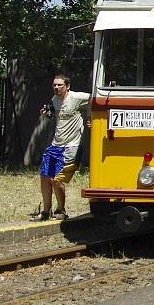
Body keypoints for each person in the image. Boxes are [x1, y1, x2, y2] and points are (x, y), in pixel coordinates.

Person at [30, 74, 90, 221]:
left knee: (56, 180)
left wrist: (90, 118)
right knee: (45, 177)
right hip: (56, 145)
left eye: (59, 85)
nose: (56, 88)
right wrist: (48, 113)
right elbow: (59, 115)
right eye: (54, 85)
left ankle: (61, 211)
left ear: (67, 86)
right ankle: (45, 212)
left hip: (71, 146)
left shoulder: (77, 97)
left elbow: (95, 99)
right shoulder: (55, 100)